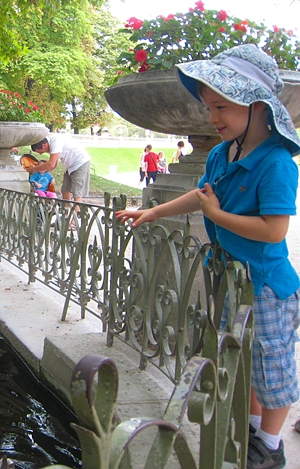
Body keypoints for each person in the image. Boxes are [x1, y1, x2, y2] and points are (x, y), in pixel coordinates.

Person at [115, 44, 300, 469]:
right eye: (208, 106)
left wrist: (216, 214)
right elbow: (201, 196)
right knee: (247, 361)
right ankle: (255, 430)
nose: (212, 118)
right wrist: (154, 210)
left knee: (272, 370)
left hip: (266, 284)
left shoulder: (276, 164)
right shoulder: (222, 154)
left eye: (221, 107)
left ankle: (270, 446)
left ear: (258, 106)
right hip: (232, 278)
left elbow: (274, 230)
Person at [29, 133, 91, 220]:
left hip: (80, 163)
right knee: (65, 190)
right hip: (70, 166)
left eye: (40, 151)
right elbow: (53, 166)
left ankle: (75, 221)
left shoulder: (55, 142)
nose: (41, 153)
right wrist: (44, 176)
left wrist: (34, 169)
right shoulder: (50, 144)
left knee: (77, 192)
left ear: (44, 145)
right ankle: (65, 217)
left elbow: (51, 164)